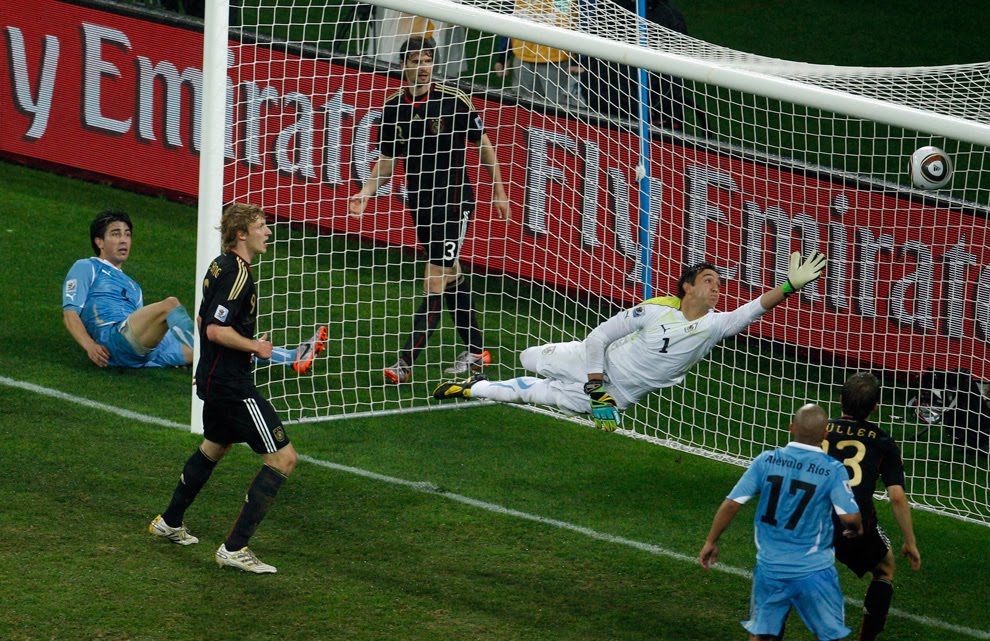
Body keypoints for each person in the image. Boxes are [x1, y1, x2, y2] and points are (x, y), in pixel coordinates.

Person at [433, 251, 827, 431]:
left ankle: (472, 387)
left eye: (720, 284)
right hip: (591, 365)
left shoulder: (716, 326)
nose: (717, 288)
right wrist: (594, 384)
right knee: (527, 357)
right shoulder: (655, 310)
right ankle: (488, 381)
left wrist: (789, 286)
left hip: (619, 396)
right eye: (709, 280)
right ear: (688, 287)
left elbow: (754, 309)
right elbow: (600, 336)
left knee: (535, 395)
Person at [349, 35, 512, 383]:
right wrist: (365, 192)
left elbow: (483, 145)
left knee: (434, 276)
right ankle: (477, 350)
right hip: (420, 203)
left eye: (427, 61)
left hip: (454, 201)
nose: (422, 67)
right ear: (403, 65)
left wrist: (499, 190)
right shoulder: (393, 108)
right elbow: (388, 160)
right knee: (450, 273)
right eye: (415, 61)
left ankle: (405, 363)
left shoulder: (454, 100)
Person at [149, 203, 298, 574]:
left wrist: (226, 354)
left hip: (214, 378)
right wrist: (255, 347)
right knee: (283, 459)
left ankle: (169, 521)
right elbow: (215, 330)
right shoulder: (237, 274)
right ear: (242, 234)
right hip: (232, 385)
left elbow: (204, 319)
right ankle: (234, 548)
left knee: (215, 445)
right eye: (261, 226)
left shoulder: (219, 265)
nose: (268, 232)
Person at [62, 210, 327, 373]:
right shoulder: (87, 267)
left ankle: (292, 357)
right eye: (115, 234)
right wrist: (89, 346)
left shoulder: (133, 286)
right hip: (111, 340)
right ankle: (203, 352)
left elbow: (141, 329)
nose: (123, 240)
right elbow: (70, 313)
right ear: (99, 241)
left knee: (218, 342)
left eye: (127, 234)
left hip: (141, 352)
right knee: (171, 306)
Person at [698, 403, 863, 641]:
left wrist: (711, 541)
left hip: (770, 569)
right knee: (831, 637)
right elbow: (849, 517)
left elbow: (732, 504)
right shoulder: (833, 469)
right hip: (814, 571)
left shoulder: (766, 460)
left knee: (762, 635)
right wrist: (855, 529)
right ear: (825, 434)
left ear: (791, 428)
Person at [824, 372, 921, 641]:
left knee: (793, 573)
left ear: (840, 399)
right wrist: (910, 542)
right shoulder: (883, 441)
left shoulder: (818, 429)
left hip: (810, 516)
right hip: (852, 523)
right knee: (885, 568)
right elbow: (897, 496)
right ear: (876, 406)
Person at [494, 0, 585, 109]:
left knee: (561, 108)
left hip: (559, 58)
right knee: (523, 105)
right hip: (522, 54)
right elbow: (509, 14)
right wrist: (504, 55)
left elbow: (588, 17)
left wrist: (580, 60)